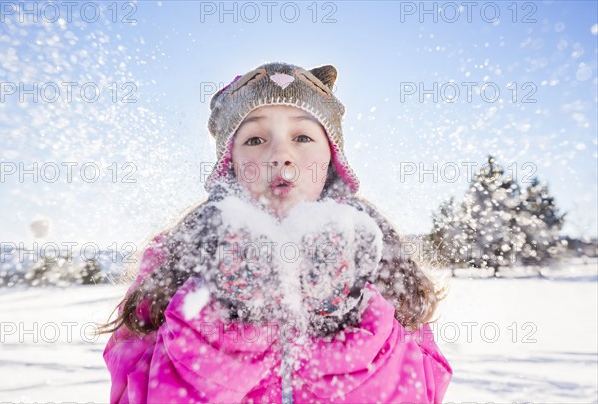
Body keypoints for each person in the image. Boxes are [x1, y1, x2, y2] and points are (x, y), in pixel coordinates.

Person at [101, 62, 452, 403]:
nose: (280, 155)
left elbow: (423, 387)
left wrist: (343, 317)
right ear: (230, 165)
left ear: (332, 160)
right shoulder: (179, 255)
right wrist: (232, 320)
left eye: (302, 136)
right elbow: (134, 391)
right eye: (255, 139)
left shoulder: (376, 255)